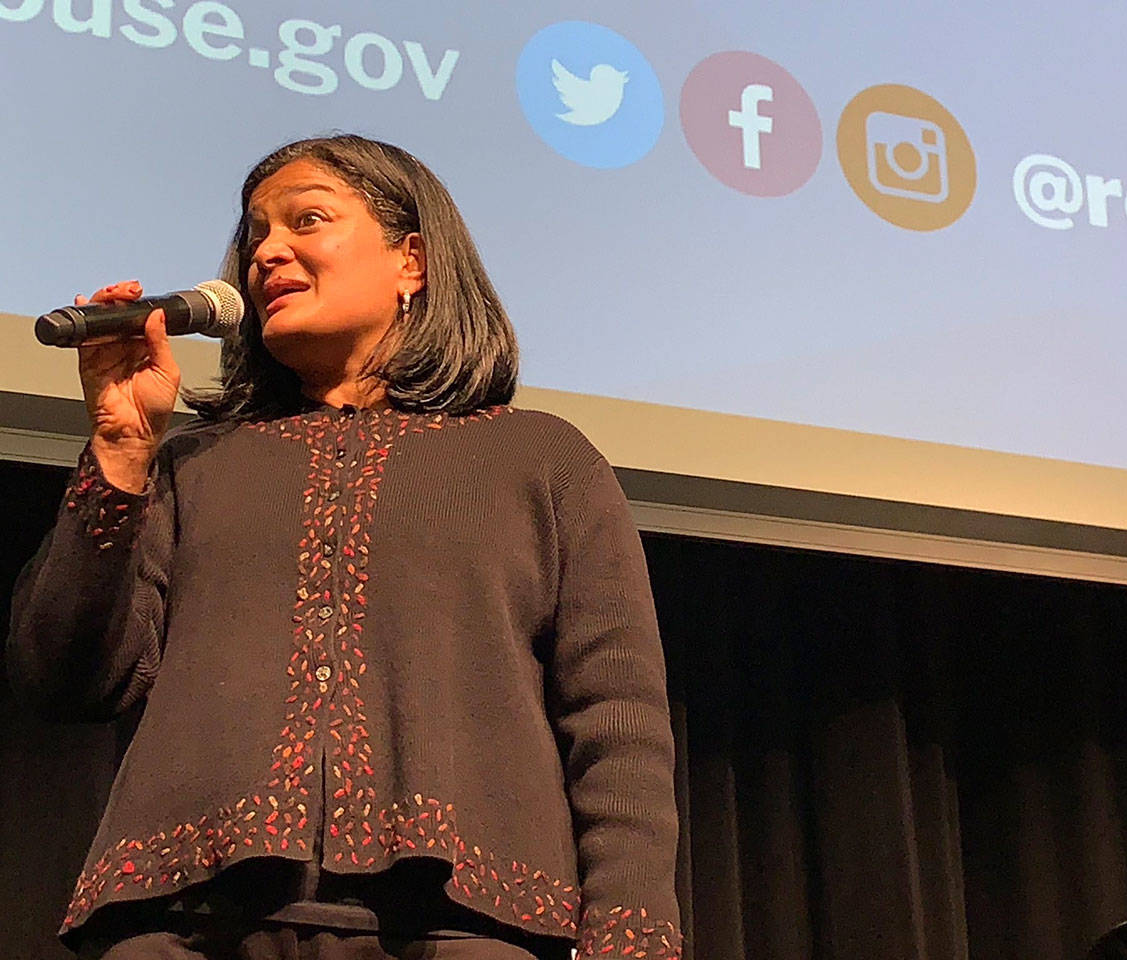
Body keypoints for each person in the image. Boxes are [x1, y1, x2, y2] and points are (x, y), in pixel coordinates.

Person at [7, 135, 682, 960]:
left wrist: (632, 941)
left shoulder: (540, 460)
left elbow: (617, 724)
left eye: (307, 220)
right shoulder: (192, 463)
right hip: (184, 923)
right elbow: (66, 676)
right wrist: (119, 450)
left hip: (459, 925)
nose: (268, 252)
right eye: (255, 234)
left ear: (413, 262)